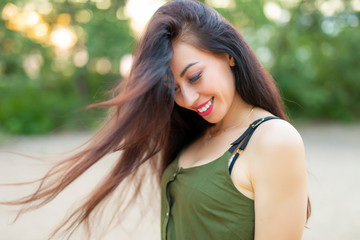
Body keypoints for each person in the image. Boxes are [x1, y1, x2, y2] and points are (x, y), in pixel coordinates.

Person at [3, 0, 310, 239]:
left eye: (195, 76)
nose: (188, 99)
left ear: (228, 54)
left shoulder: (273, 141)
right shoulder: (198, 132)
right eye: (173, 88)